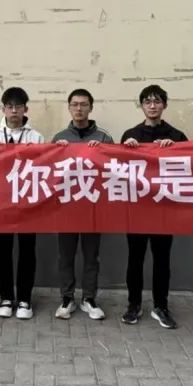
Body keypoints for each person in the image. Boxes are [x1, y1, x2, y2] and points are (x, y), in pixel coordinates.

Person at [120, 85, 187, 329]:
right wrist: (125, 149)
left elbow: (189, 167)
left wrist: (175, 150)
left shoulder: (177, 135)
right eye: (147, 101)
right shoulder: (131, 134)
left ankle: (161, 306)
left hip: (164, 209)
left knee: (162, 260)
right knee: (135, 259)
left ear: (164, 105)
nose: (152, 105)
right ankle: (133, 304)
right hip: (137, 208)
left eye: (157, 101)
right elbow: (118, 169)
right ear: (141, 105)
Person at [0, 87, 45, 319]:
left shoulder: (36, 137)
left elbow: (44, 166)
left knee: (27, 251)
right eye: (9, 106)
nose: (13, 111)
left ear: (25, 109)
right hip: (1, 204)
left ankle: (25, 299)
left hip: (28, 203)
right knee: (3, 252)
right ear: (3, 109)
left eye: (18, 106)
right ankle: (6, 297)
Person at [53, 89, 112, 320]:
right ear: (69, 107)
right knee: (65, 256)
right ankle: (67, 298)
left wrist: (103, 153)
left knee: (91, 256)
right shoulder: (59, 137)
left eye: (84, 104)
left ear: (91, 107)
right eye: (75, 104)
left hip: (93, 207)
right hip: (66, 207)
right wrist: (56, 152)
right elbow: (49, 172)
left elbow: (114, 170)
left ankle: (89, 298)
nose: (79, 109)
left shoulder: (104, 138)